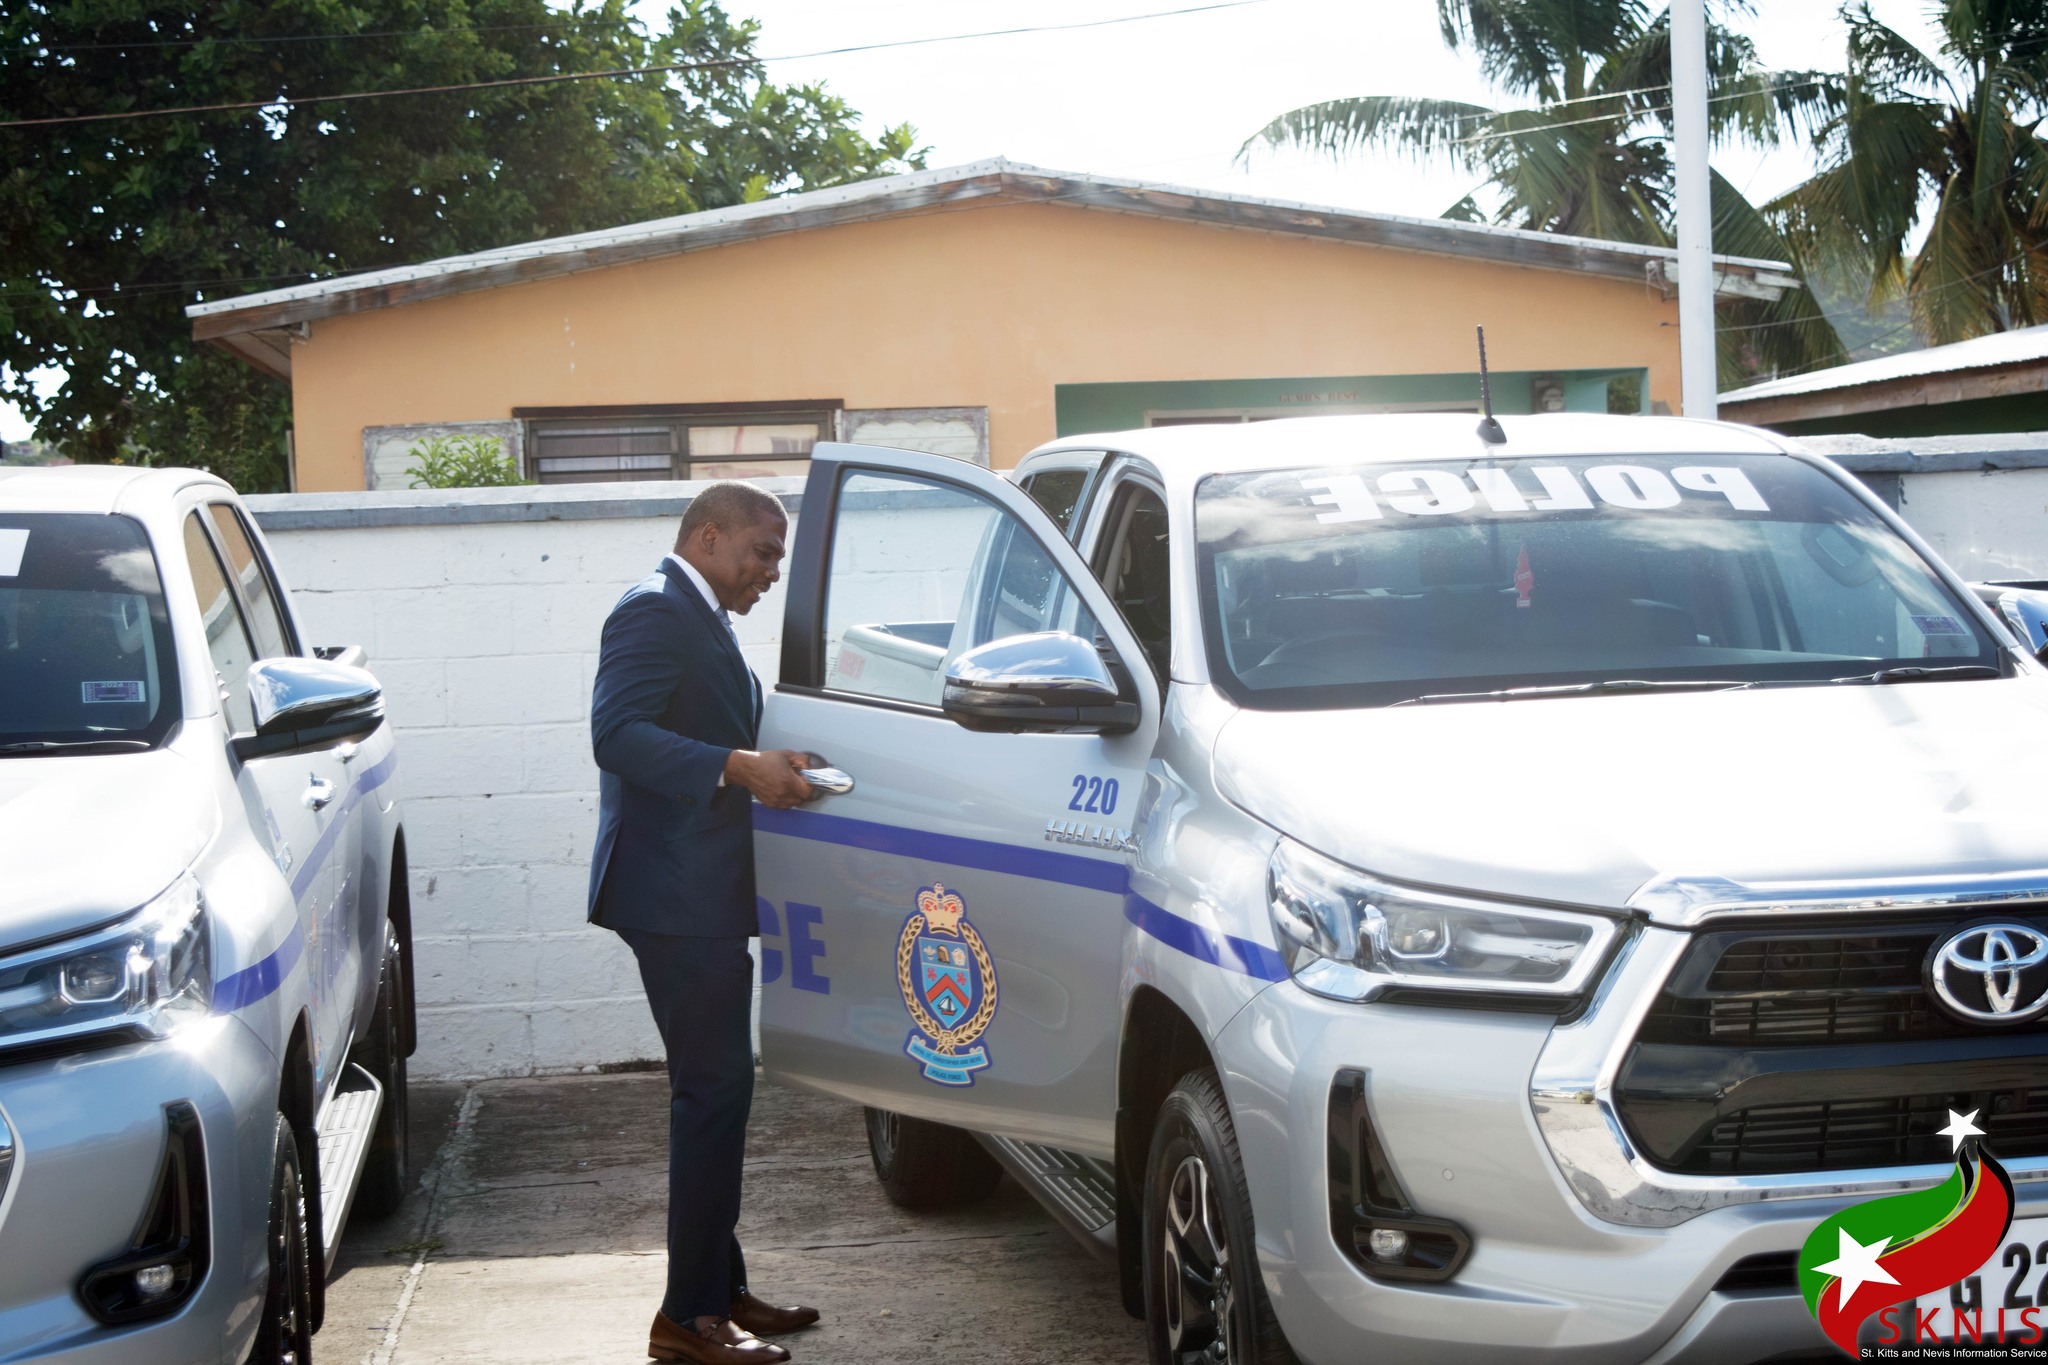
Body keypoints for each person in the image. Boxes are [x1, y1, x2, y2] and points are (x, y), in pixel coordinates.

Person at [587, 481, 820, 1365]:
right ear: (710, 535)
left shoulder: (700, 614)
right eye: (763, 551)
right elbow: (616, 734)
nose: (771, 571)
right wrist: (738, 766)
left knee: (719, 1092)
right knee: (712, 1095)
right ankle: (688, 1318)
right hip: (674, 896)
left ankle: (719, 1289)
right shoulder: (654, 608)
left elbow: (703, 725)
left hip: (700, 891)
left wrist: (765, 761)